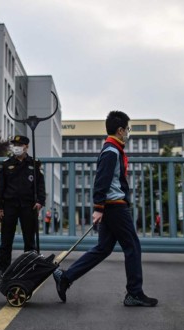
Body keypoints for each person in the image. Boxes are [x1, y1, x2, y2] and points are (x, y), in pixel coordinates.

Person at [53, 111, 158, 307]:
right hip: (114, 205)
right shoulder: (111, 151)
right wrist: (99, 207)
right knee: (132, 246)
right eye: (127, 129)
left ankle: (66, 278)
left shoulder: (113, 149)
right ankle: (134, 293)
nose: (128, 132)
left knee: (103, 248)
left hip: (111, 205)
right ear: (120, 130)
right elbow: (102, 179)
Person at [0, 135, 46, 282]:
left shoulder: (34, 164)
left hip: (29, 206)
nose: (16, 147)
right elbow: (0, 188)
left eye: (20, 144)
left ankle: (30, 269)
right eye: (15, 144)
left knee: (30, 240)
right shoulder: (6, 164)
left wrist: (40, 201)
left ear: (26, 146)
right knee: (6, 240)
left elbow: (40, 186)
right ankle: (3, 270)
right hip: (9, 206)